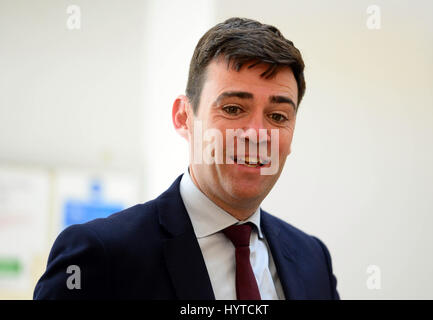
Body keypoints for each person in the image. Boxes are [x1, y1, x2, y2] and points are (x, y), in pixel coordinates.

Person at [34, 17, 339, 300]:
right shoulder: (101, 255)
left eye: (277, 116)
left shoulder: (313, 259)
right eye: (233, 109)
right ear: (183, 117)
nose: (257, 134)